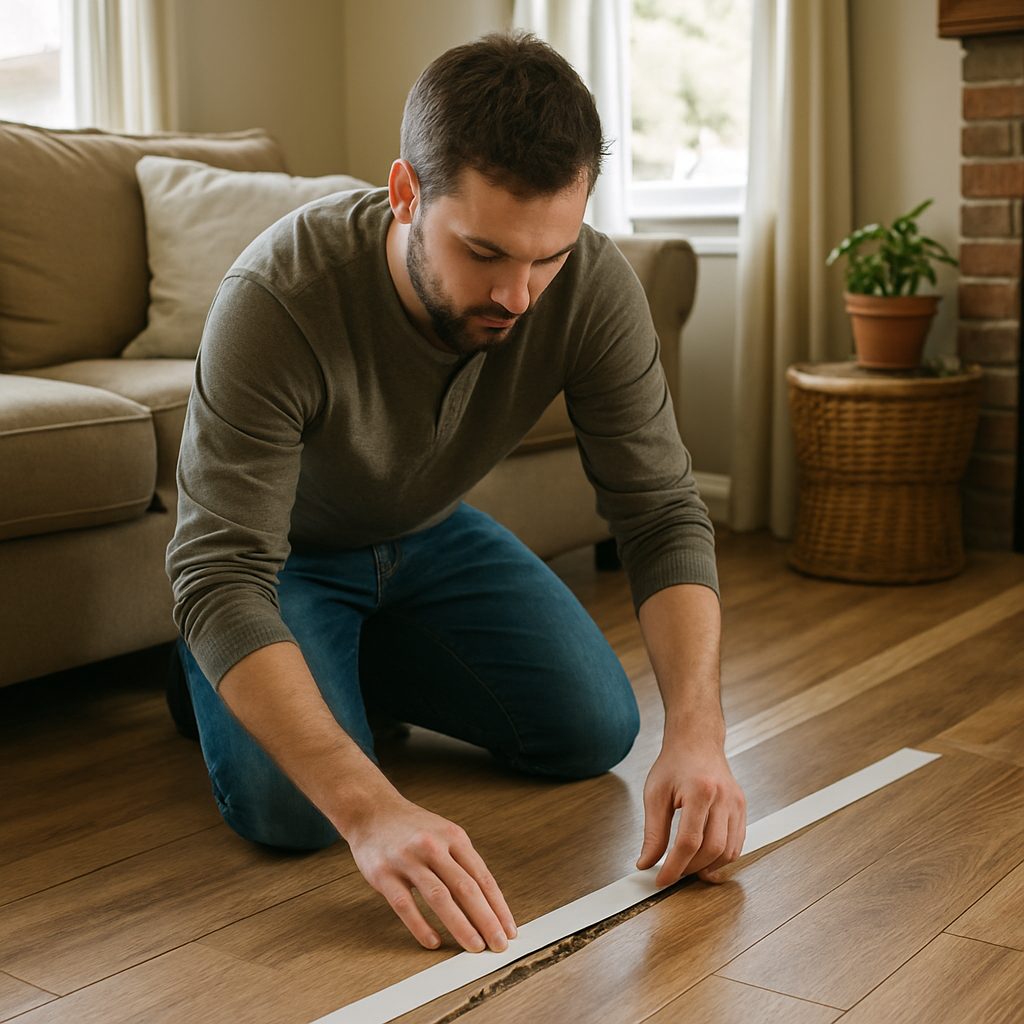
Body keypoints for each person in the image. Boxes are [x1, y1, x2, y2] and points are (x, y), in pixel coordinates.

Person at [166, 31, 746, 957]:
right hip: (280, 568)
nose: (519, 295)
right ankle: (213, 673)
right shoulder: (276, 298)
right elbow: (220, 574)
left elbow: (662, 510)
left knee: (593, 730)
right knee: (296, 813)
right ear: (406, 193)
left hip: (429, 536)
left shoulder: (589, 284)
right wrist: (372, 809)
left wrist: (701, 736)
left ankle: (331, 671)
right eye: (484, 253)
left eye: (548, 256)